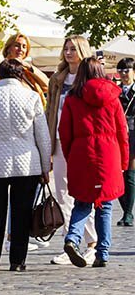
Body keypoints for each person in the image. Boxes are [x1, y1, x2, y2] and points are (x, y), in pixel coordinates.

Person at [0, 59, 52, 272]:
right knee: (22, 213)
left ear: (0, 74)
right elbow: (42, 136)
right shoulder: (32, 97)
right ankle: (17, 260)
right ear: (21, 75)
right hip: (27, 163)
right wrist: (45, 166)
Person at [59, 57, 129, 267]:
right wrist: (124, 162)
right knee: (105, 205)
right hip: (109, 153)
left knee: (82, 202)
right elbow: (122, 132)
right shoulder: (113, 97)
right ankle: (103, 253)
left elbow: (65, 132)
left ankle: (72, 238)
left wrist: (70, 155)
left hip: (82, 153)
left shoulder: (72, 98)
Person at [45, 36, 96, 264]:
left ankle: (92, 242)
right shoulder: (58, 79)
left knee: (84, 191)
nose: (68, 52)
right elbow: (49, 111)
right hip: (59, 140)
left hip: (81, 142)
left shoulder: (91, 78)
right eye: (66, 48)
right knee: (62, 193)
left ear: (82, 51)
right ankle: (70, 243)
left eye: (73, 49)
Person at [1, 32, 49, 105]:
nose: (21, 49)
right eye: (17, 45)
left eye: (24, 47)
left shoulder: (27, 70)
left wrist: (29, 67)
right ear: (8, 49)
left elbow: (47, 85)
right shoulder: (3, 68)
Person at [117, 57, 135, 227]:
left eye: (126, 70)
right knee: (118, 175)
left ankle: (128, 213)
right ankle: (126, 210)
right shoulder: (115, 91)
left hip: (133, 134)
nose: (123, 74)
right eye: (120, 70)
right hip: (117, 135)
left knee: (129, 173)